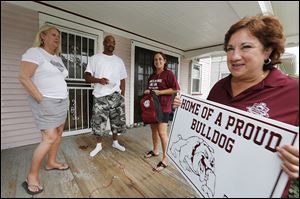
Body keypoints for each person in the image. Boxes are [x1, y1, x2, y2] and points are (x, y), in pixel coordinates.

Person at [173, 15, 299, 198]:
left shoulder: (293, 91)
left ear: (267, 51)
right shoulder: (219, 87)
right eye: (230, 49)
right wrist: (185, 109)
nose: (234, 56)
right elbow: (206, 128)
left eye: (246, 47)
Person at [19, 24, 69, 195]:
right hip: (46, 101)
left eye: (58, 36)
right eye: (53, 34)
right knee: (49, 137)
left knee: (59, 133)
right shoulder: (35, 52)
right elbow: (24, 77)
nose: (57, 38)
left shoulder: (56, 58)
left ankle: (51, 162)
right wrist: (41, 99)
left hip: (62, 101)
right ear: (43, 36)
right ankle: (31, 177)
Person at [84, 35, 127, 157]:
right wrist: (99, 80)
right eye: (108, 41)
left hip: (116, 96)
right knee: (98, 122)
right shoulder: (95, 58)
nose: (111, 44)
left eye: (113, 42)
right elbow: (86, 77)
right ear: (103, 43)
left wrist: (122, 95)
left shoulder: (119, 61)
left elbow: (123, 79)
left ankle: (115, 142)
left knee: (116, 122)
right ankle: (98, 145)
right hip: (100, 96)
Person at [144, 52, 180, 171]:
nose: (157, 61)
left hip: (164, 107)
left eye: (160, 59)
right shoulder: (152, 76)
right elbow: (151, 89)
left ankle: (166, 158)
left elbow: (176, 89)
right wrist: (147, 92)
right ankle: (155, 150)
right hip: (153, 108)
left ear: (164, 61)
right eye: (155, 59)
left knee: (162, 133)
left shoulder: (168, 74)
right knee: (153, 130)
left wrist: (160, 92)